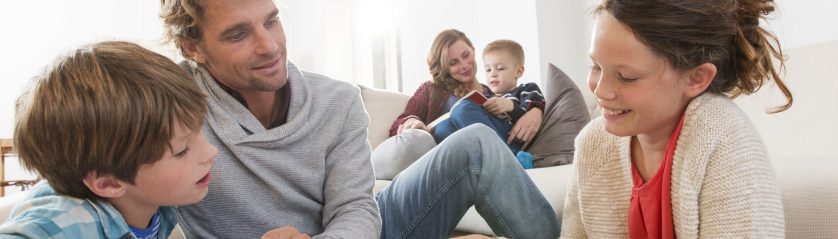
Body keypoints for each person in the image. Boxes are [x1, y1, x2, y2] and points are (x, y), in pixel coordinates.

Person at [159, 0, 560, 238]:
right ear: (192, 47)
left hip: (363, 229)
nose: (270, 46)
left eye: (271, 20)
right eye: (237, 35)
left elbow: (354, 209)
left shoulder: (337, 101)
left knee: (476, 142)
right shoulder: (168, 108)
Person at [561, 0, 792, 238]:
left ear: (696, 78)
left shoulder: (724, 140)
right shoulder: (593, 143)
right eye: (596, 66)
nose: (600, 90)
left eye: (627, 77)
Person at [0, 41, 216, 238]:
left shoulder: (149, 205)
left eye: (199, 130)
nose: (210, 152)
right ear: (109, 183)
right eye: (181, 151)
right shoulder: (66, 225)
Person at [390, 30, 545, 151]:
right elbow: (397, 124)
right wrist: (411, 122)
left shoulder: (494, 93)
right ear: (444, 67)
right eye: (453, 62)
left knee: (462, 109)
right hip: (460, 156)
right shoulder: (432, 89)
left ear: (473, 49)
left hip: (494, 146)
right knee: (443, 129)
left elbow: (523, 101)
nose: (464, 65)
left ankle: (506, 156)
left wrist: (536, 110)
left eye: (466, 55)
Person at [431, 39, 546, 169]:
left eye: (500, 68)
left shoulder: (526, 89)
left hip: (509, 137)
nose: (493, 74)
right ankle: (471, 165)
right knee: (442, 128)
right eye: (488, 70)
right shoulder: (487, 96)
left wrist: (511, 107)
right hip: (487, 136)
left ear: (518, 72)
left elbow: (529, 118)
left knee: (462, 109)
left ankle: (511, 159)